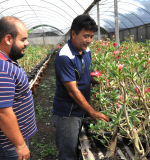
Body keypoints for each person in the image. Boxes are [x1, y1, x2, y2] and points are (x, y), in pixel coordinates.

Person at [0, 16, 37, 160]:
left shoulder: (3, 61)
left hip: (9, 142)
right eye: (23, 39)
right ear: (8, 39)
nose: (27, 43)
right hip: (7, 145)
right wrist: (20, 145)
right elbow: (2, 113)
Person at [51, 14, 110, 160]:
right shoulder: (65, 56)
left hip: (81, 108)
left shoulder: (86, 51)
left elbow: (87, 73)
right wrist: (92, 112)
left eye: (91, 36)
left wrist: (100, 81)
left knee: (77, 148)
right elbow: (72, 90)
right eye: (85, 36)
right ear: (73, 33)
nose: (89, 40)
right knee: (67, 153)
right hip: (68, 113)